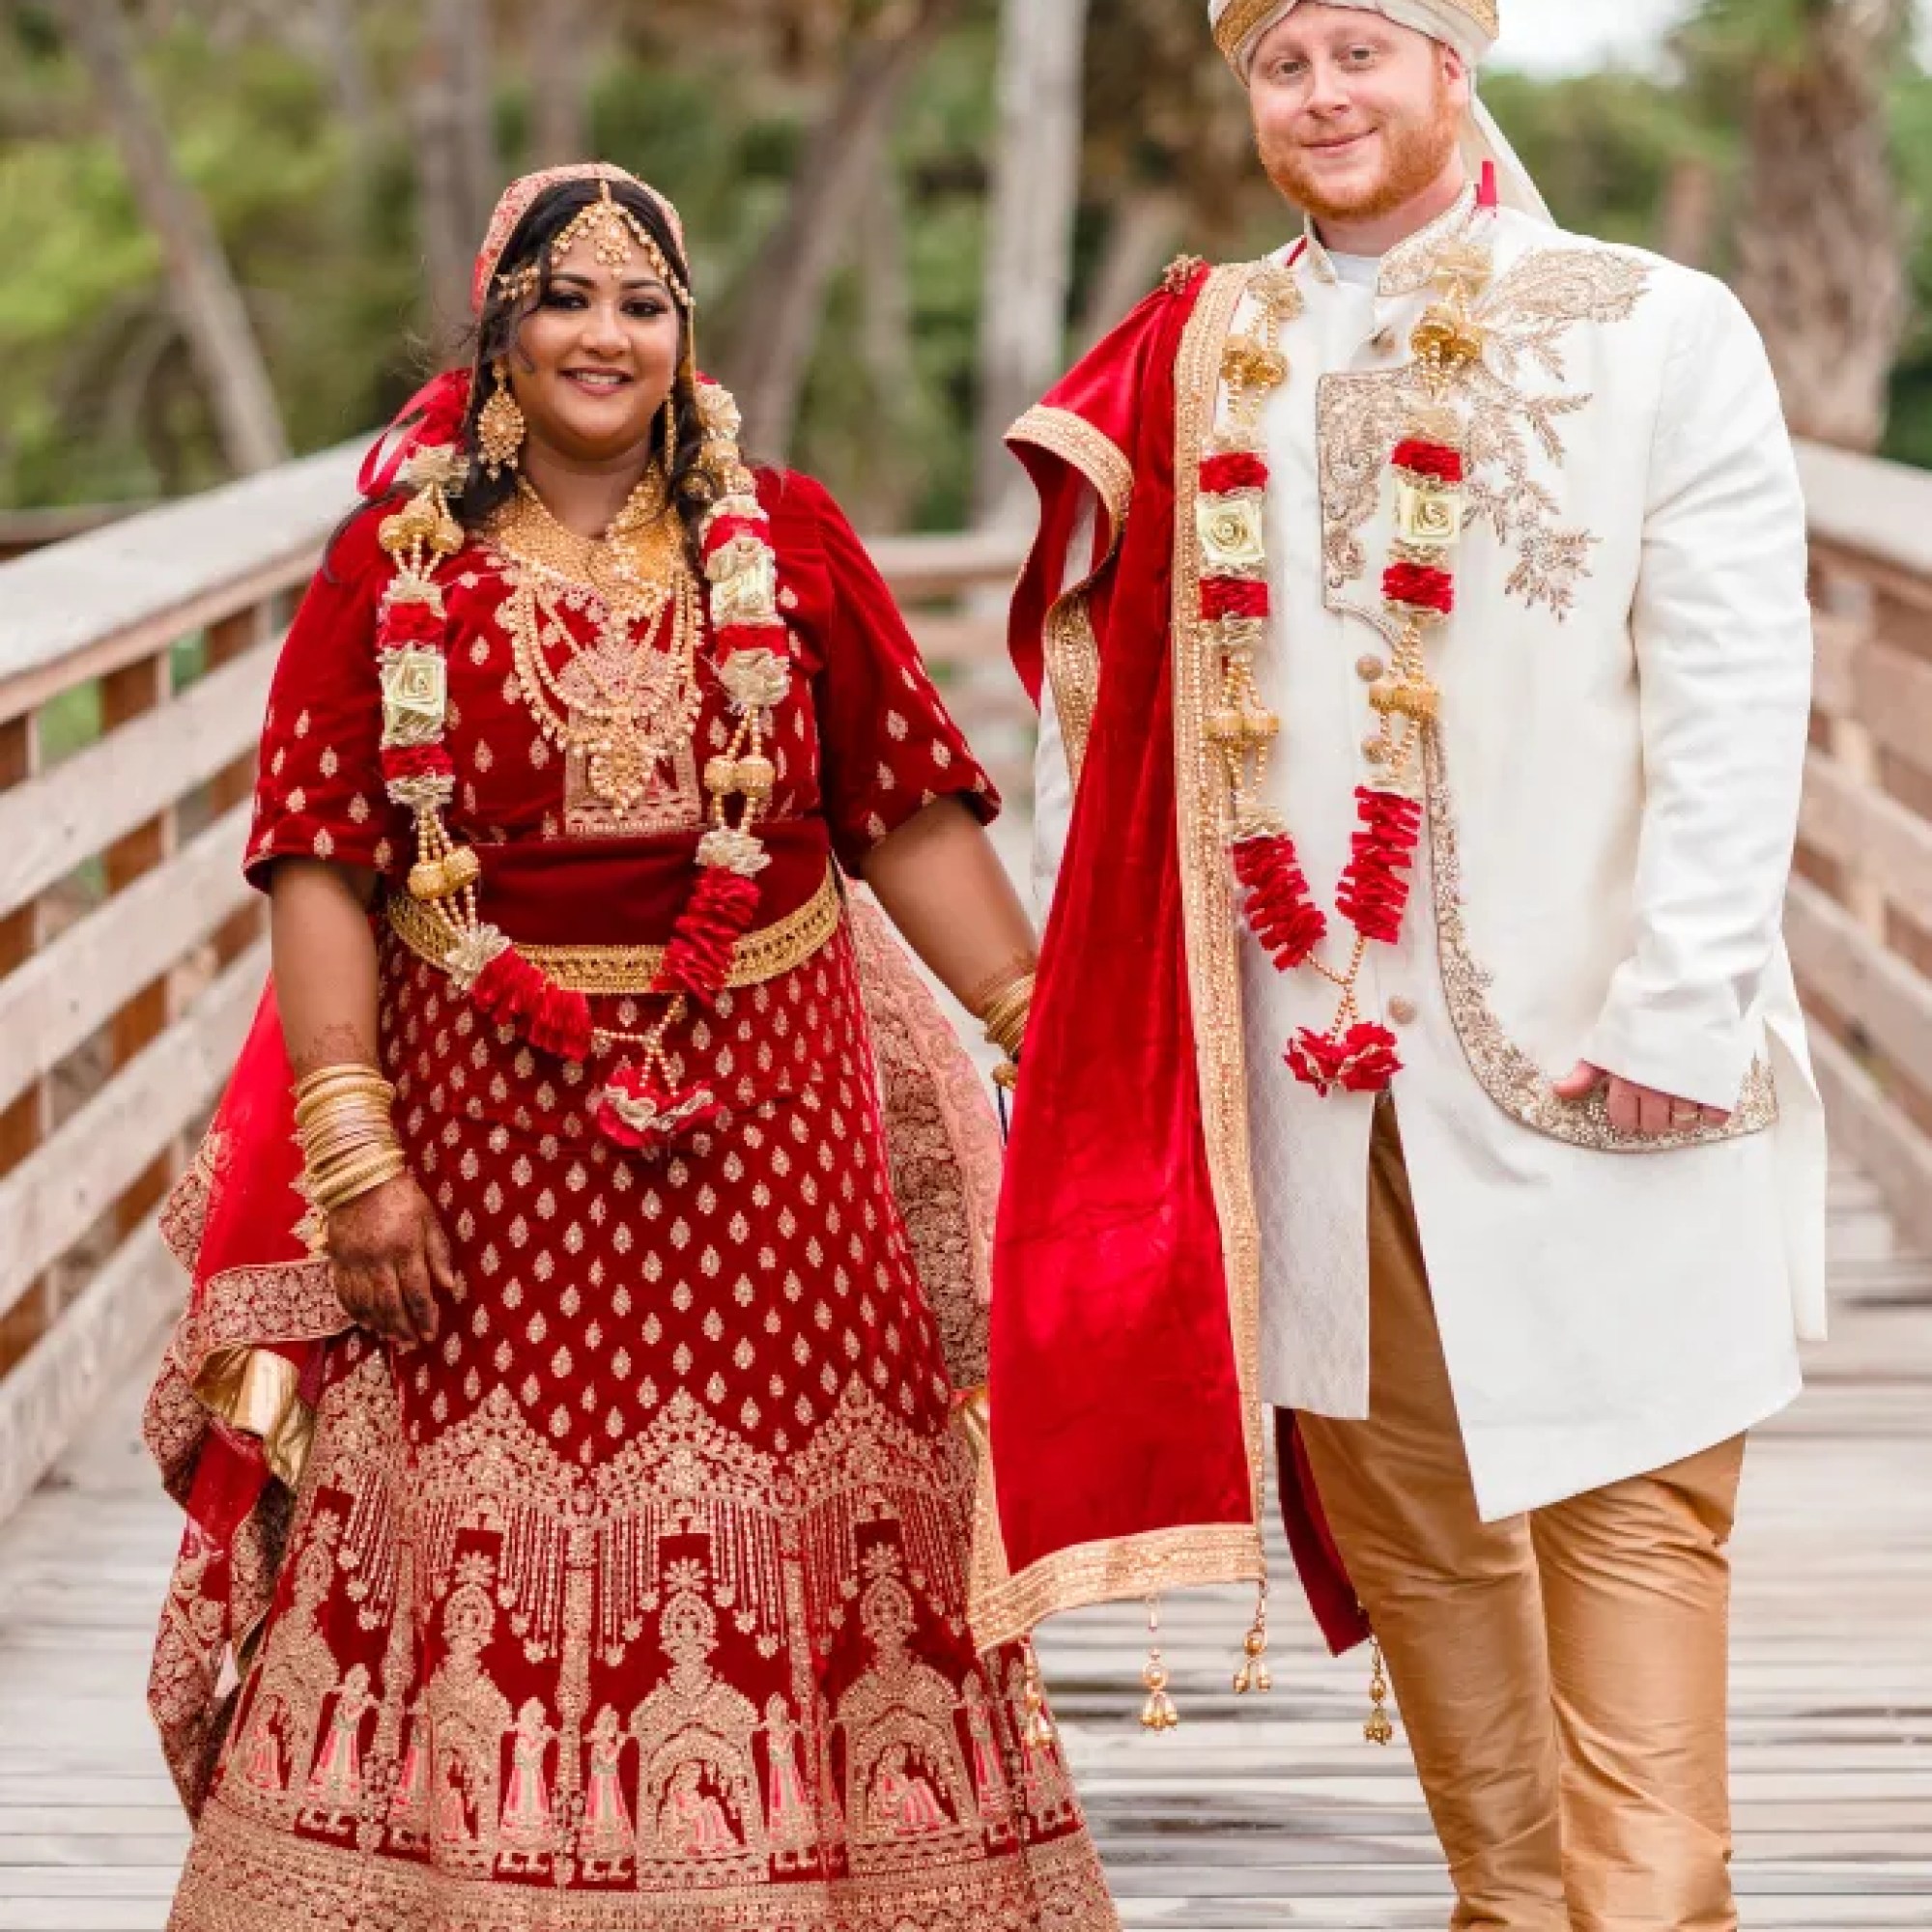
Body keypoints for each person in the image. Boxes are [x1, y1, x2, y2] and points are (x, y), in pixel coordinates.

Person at [145, 160, 1117, 1931]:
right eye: (565, 297)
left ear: (687, 337)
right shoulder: (392, 565)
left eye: (642, 304)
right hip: (484, 1139)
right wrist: (356, 1155)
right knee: (468, 1534)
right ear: (495, 325)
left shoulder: (792, 544)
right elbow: (319, 858)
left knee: (814, 1522)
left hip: (777, 1127)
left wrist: (1049, 1045)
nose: (604, 334)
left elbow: (904, 817)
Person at [981, 6, 1826, 1928]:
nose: (1323, 97)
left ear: (1457, 66)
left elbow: (1732, 682)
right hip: (1298, 1069)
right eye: (1283, 64)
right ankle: (1503, 1908)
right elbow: (1098, 722)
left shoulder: (1650, 324)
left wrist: (1683, 1000)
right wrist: (1115, 1033)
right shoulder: (1199, 359)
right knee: (1417, 1532)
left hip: (1600, 1047)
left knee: (1634, 1513)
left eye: (1361, 50)